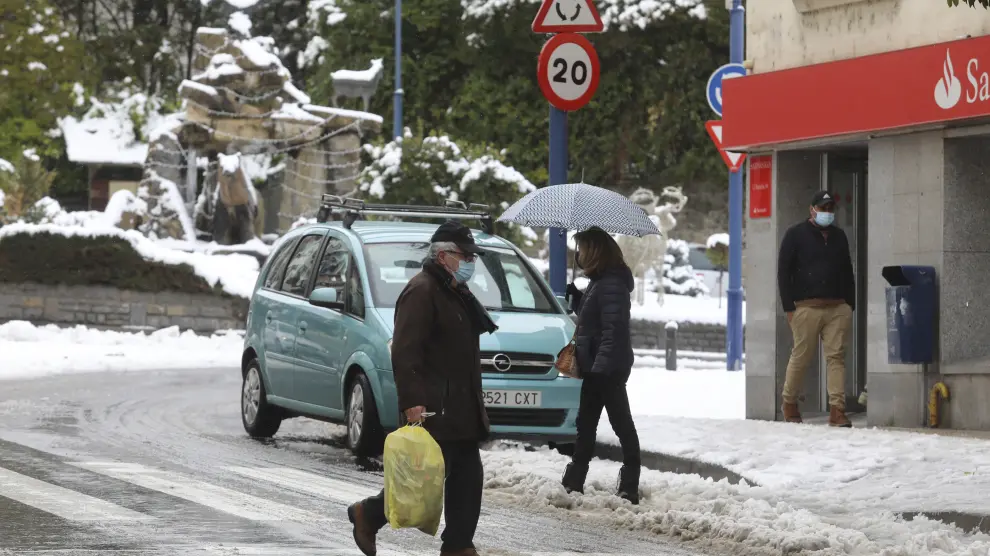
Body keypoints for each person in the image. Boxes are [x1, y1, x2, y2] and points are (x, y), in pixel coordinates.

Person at [347, 220, 498, 556]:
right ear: (444, 256)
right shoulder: (423, 290)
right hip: (435, 407)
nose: (471, 262)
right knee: (420, 482)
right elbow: (405, 351)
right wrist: (412, 401)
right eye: (465, 255)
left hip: (461, 406)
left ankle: (458, 545)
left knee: (466, 480)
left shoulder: (454, 292)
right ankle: (368, 514)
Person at [560, 227, 642, 505]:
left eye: (581, 249)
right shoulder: (601, 282)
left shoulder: (612, 284)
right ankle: (573, 481)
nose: (578, 255)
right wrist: (578, 300)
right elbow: (596, 321)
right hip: (596, 365)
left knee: (621, 425)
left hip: (607, 368)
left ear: (594, 251)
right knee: (586, 424)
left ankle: (629, 485)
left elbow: (614, 330)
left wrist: (601, 368)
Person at [777, 191, 855, 428]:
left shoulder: (839, 236)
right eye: (823, 208)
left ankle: (837, 410)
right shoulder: (795, 235)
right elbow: (783, 272)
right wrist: (789, 308)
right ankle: (789, 403)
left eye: (831, 208)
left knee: (836, 358)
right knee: (801, 356)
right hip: (805, 307)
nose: (827, 213)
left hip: (837, 307)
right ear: (812, 210)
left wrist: (849, 304)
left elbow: (847, 270)